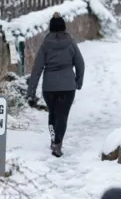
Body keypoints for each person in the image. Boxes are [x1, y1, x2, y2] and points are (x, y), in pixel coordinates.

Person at [26, 12, 85, 158]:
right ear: (64, 27)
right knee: (62, 116)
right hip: (67, 87)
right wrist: (78, 82)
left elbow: (37, 69)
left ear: (51, 28)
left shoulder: (45, 45)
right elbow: (80, 64)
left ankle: (54, 140)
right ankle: (58, 143)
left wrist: (31, 92)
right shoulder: (71, 44)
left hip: (49, 87)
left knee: (53, 114)